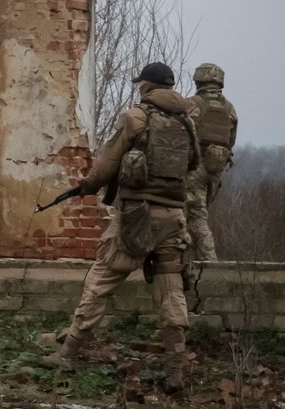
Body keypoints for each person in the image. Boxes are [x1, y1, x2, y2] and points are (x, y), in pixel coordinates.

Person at [42, 62, 200, 394]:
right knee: (171, 293)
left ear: (147, 86)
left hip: (135, 217)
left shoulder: (136, 117)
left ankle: (68, 352)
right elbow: (195, 164)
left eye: (140, 83)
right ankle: (175, 373)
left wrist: (86, 185)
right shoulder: (187, 121)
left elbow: (107, 165)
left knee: (101, 280)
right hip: (174, 218)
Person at [184, 63, 238, 261]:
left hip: (195, 168)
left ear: (198, 80)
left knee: (194, 217)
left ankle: (209, 262)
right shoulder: (230, 108)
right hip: (216, 169)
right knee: (200, 213)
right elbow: (231, 140)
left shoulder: (191, 104)